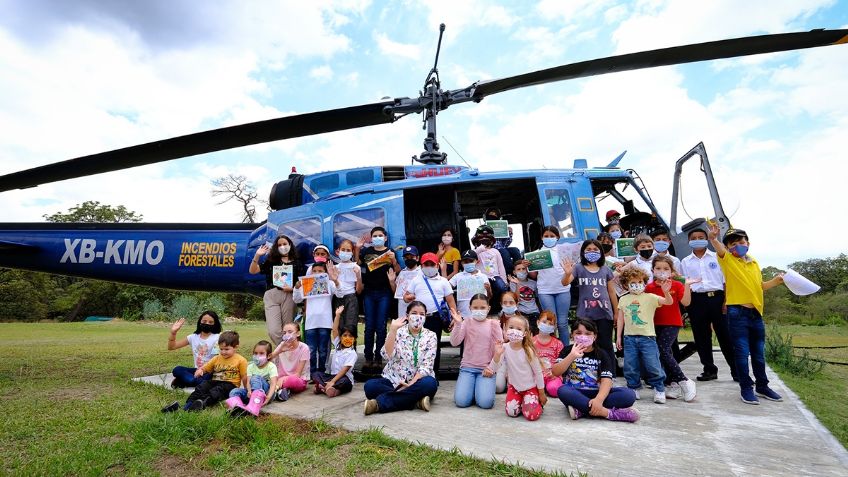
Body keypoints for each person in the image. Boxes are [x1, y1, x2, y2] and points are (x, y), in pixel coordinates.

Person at [709, 223, 785, 404]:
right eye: (732, 244)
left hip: (756, 314)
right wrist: (713, 238)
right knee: (742, 353)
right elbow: (719, 249)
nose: (737, 246)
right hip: (737, 313)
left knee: (759, 354)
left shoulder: (754, 263)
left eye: (740, 242)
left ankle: (762, 386)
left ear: (748, 243)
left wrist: (776, 281)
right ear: (727, 248)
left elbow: (759, 287)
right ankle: (746, 388)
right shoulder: (727, 260)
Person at [552, 319, 639, 422]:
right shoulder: (567, 350)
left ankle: (582, 410)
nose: (583, 336)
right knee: (562, 390)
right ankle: (608, 413)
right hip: (575, 393)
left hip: (598, 393)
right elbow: (555, 371)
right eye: (578, 333)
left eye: (588, 334)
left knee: (629, 395)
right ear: (572, 335)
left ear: (594, 337)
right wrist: (571, 356)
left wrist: (598, 400)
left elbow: (606, 380)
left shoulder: (602, 354)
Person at [680, 227, 736, 382]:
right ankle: (709, 369)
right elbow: (684, 284)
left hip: (717, 299)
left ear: (706, 239)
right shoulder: (685, 261)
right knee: (701, 337)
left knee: (725, 335)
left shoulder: (717, 257)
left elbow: (726, 281)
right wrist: (687, 305)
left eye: (701, 237)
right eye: (694, 237)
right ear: (689, 241)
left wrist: (726, 300)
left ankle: (736, 370)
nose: (697, 239)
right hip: (696, 300)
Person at [363, 301, 439, 414]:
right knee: (370, 386)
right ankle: (416, 402)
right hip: (394, 381)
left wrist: (410, 385)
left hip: (418, 383)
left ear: (425, 317)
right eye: (414, 313)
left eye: (422, 314)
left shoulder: (431, 336)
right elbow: (386, 355)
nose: (418, 317)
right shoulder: (397, 331)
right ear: (407, 316)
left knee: (430, 384)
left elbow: (426, 367)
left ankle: (379, 404)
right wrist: (392, 330)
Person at [615, 267, 673, 403]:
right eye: (633, 282)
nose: (637, 284)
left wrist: (666, 293)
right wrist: (618, 336)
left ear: (645, 282)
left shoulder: (650, 297)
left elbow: (668, 302)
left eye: (640, 281)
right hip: (629, 338)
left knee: (653, 364)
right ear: (625, 285)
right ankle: (633, 387)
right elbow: (620, 319)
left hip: (648, 338)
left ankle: (659, 388)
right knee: (630, 365)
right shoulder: (623, 299)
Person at [646, 255, 698, 402]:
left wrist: (687, 285)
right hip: (654, 324)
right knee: (664, 353)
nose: (662, 271)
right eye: (658, 268)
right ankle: (672, 383)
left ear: (671, 271)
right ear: (653, 270)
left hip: (672, 323)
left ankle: (684, 381)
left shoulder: (676, 285)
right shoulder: (649, 287)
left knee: (663, 349)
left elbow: (686, 302)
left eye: (665, 268)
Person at [162, 331, 248, 412]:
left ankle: (202, 403)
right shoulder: (217, 358)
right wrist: (200, 370)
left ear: (236, 347)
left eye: (226, 349)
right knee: (202, 387)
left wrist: (246, 389)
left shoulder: (241, 360)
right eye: (221, 349)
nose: (223, 352)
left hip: (230, 384)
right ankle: (187, 405)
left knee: (216, 391)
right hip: (215, 381)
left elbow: (244, 376)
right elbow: (206, 367)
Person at [563, 239, 618, 365]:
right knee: (584, 343)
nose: (592, 252)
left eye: (595, 250)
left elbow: (611, 292)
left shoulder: (606, 270)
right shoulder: (578, 268)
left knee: (606, 344)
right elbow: (565, 282)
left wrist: (616, 312)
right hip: (585, 314)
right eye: (588, 249)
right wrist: (567, 274)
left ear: (601, 252)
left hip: (604, 313)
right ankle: (585, 369)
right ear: (583, 252)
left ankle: (610, 372)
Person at [403, 252, 458, 373]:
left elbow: (450, 301)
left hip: (435, 317)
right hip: (418, 318)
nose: (429, 267)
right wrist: (409, 297)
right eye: (426, 264)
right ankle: (416, 373)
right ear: (421, 266)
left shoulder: (443, 281)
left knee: (434, 346)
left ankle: (433, 373)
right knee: (416, 345)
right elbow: (405, 296)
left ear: (437, 265)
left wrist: (454, 317)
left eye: (431, 264)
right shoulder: (416, 280)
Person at [358, 226, 402, 368]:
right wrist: (357, 248)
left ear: (385, 238)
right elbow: (357, 266)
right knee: (369, 326)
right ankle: (368, 357)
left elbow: (398, 271)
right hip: (369, 292)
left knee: (381, 326)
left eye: (380, 235)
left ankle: (379, 357)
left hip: (384, 293)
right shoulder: (366, 251)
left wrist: (394, 260)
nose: (377, 238)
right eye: (375, 236)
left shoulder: (390, 252)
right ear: (371, 238)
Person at [450, 294, 502, 409]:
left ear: (488, 308)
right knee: (461, 402)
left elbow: (499, 350)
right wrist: (458, 324)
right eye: (475, 308)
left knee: (485, 403)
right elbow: (454, 342)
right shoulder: (466, 323)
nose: (479, 311)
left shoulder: (493, 324)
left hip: (486, 369)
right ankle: (472, 389)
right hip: (467, 368)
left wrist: (492, 368)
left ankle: (479, 389)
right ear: (470, 308)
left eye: (482, 308)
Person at [492, 315, 547, 421]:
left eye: (519, 329)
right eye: (511, 327)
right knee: (512, 412)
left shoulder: (528, 351)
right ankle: (523, 402)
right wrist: (497, 355)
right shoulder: (504, 348)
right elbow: (495, 367)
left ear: (525, 333)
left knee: (531, 415)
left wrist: (541, 393)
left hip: (530, 388)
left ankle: (534, 403)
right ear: (505, 329)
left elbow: (538, 373)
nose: (514, 331)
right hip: (514, 388)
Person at [250, 234, 301, 345]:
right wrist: (257, 256)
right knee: (273, 331)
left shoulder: (297, 263)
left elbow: (301, 283)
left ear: (290, 245)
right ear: (276, 247)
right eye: (279, 245)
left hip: (289, 295)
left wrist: (292, 288)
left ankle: (288, 355)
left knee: (288, 329)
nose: (282, 246)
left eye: (285, 244)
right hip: (272, 295)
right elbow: (253, 271)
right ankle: (283, 349)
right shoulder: (271, 261)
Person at [293, 259, 342, 376]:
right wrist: (296, 288)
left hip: (325, 322)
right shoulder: (306, 284)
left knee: (323, 350)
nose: (317, 273)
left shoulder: (329, 284)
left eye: (320, 271)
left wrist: (335, 280)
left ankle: (322, 371)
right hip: (310, 323)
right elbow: (296, 299)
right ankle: (313, 372)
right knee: (311, 349)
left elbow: (340, 293)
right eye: (314, 271)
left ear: (325, 273)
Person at [531, 226, 574, 344]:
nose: (549, 238)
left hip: (563, 290)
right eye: (546, 236)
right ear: (541, 237)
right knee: (550, 322)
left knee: (563, 323)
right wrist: (528, 266)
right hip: (545, 291)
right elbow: (534, 276)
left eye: (552, 236)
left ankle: (565, 351)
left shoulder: (564, 252)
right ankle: (551, 349)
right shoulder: (536, 254)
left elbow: (571, 271)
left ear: (557, 237)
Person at [167, 311, 222, 388]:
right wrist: (173, 333)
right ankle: (194, 381)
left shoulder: (218, 338)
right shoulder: (193, 337)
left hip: (210, 372)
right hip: (196, 371)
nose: (207, 324)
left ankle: (183, 381)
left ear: (215, 324)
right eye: (204, 321)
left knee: (199, 380)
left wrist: (203, 370)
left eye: (210, 322)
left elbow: (217, 359)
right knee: (177, 370)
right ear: (200, 322)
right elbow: (171, 347)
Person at [313, 306, 357, 397]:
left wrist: (333, 381)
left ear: (355, 339)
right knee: (316, 373)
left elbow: (344, 371)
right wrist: (337, 315)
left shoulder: (352, 353)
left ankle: (329, 389)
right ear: (341, 337)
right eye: (345, 335)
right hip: (332, 376)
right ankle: (328, 388)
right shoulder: (337, 344)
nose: (347, 338)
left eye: (350, 336)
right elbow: (334, 330)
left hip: (343, 378)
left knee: (344, 382)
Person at [225, 340, 278, 415]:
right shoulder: (250, 366)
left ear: (269, 356)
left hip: (266, 394)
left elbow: (273, 383)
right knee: (234, 391)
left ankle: (253, 408)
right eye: (255, 353)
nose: (257, 356)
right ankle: (238, 407)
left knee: (256, 377)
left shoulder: (271, 366)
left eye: (261, 353)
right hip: (251, 393)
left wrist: (268, 397)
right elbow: (248, 382)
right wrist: (249, 391)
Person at [269, 322, 310, 401]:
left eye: (290, 332)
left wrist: (283, 379)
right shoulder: (282, 344)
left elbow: (298, 374)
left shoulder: (304, 348)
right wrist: (279, 351)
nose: (286, 334)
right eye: (284, 333)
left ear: (298, 333)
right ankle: (282, 392)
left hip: (297, 379)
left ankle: (274, 389)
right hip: (280, 379)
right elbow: (267, 360)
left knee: (293, 381)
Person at [449, 250, 491, 319]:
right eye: (465, 262)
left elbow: (489, 297)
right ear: (461, 263)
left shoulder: (483, 276)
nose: (468, 263)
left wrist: (488, 289)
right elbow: (447, 288)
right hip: (463, 315)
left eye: (471, 261)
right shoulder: (458, 276)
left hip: (479, 314)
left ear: (477, 261)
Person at [334, 239, 362, 338]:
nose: (345, 252)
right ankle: (340, 351)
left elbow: (358, 290)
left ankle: (351, 352)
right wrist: (334, 279)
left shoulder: (356, 267)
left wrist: (358, 276)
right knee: (339, 326)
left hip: (351, 298)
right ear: (338, 251)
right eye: (343, 250)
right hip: (338, 299)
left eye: (348, 250)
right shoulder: (335, 268)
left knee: (351, 327)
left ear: (352, 252)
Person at [532, 310, 564, 397]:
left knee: (554, 390)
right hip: (535, 376)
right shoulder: (531, 342)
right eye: (544, 322)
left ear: (554, 327)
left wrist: (555, 373)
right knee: (531, 390)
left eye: (550, 324)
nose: (547, 325)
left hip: (552, 376)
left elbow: (561, 362)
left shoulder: (558, 344)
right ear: (538, 322)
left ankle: (549, 387)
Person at [389, 246, 423, 319]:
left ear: (417, 258)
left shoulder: (422, 273)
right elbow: (396, 291)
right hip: (402, 308)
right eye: (406, 258)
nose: (409, 259)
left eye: (411, 257)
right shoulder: (402, 273)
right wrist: (392, 282)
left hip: (417, 306)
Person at [474, 225, 508, 295]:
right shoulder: (476, 251)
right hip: (481, 277)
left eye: (487, 238)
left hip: (495, 276)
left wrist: (504, 281)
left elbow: (501, 267)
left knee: (502, 287)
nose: (484, 239)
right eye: (482, 238)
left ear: (492, 240)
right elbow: (472, 258)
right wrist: (480, 248)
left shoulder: (495, 251)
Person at [509, 259, 540, 334]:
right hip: (521, 313)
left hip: (534, 312)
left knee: (535, 334)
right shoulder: (513, 283)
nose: (521, 271)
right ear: (514, 272)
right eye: (518, 269)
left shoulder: (533, 283)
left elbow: (537, 298)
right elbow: (517, 299)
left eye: (523, 269)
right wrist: (518, 284)